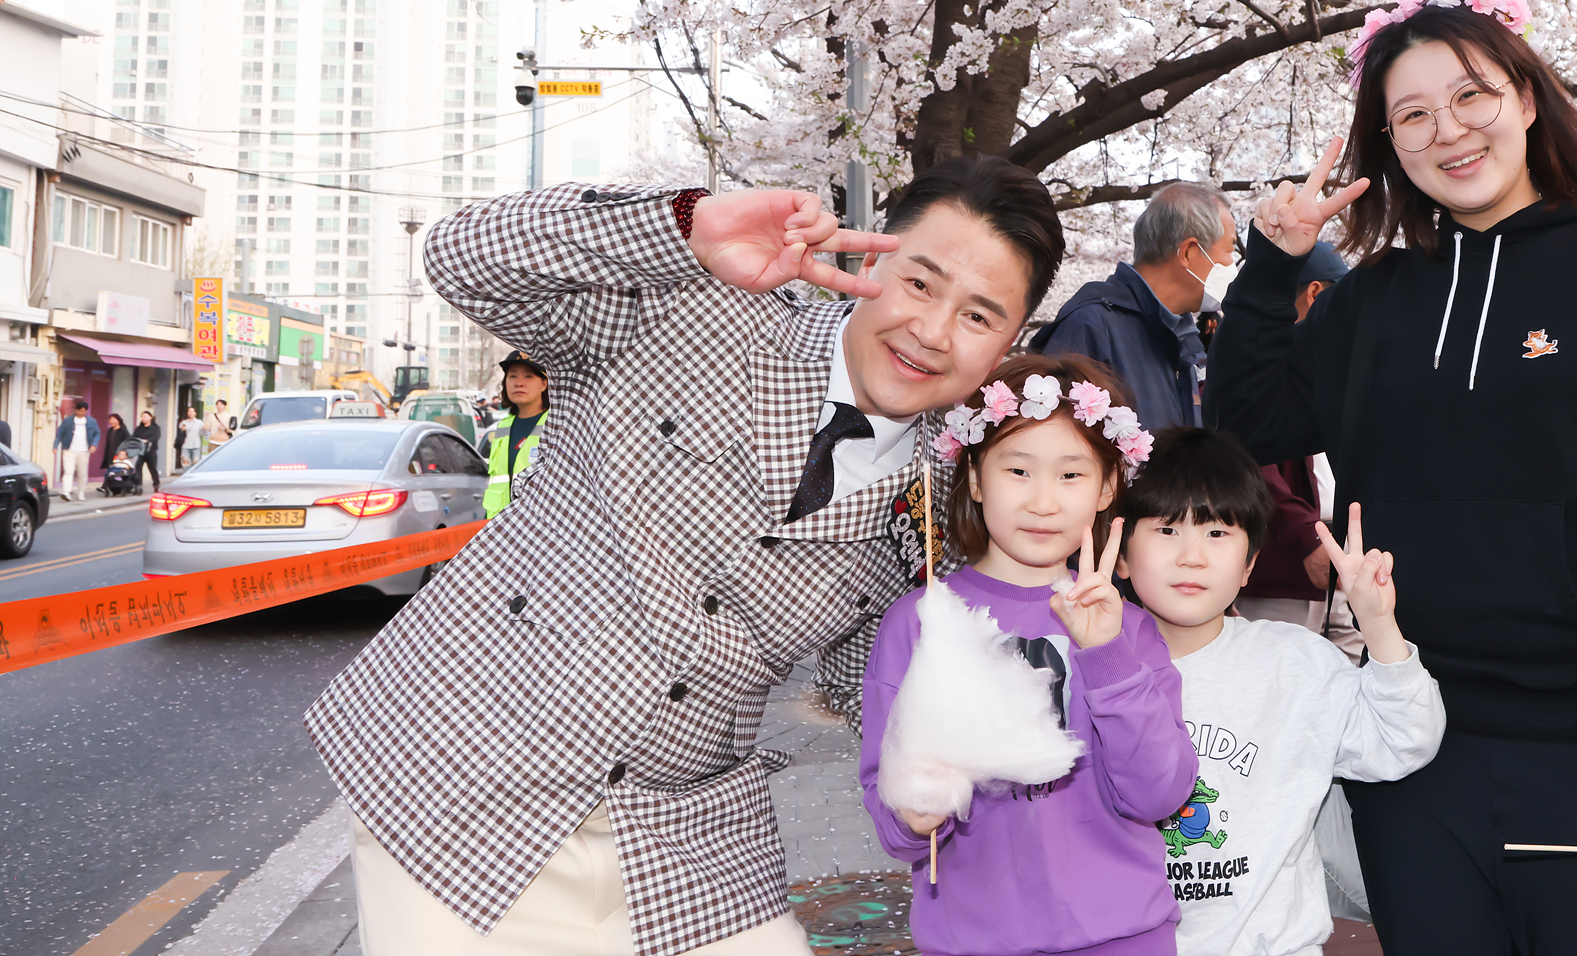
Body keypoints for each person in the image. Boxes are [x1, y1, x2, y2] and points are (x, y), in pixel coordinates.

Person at [306, 158, 1068, 956]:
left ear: (1010, 344)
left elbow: (876, 679)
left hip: (688, 827)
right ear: (868, 259)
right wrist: (681, 226)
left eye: (980, 317)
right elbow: (460, 258)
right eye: (920, 283)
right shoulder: (708, 307)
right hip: (469, 761)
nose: (934, 332)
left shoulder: (950, 499)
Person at [1208, 0, 1577, 955]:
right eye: (1409, 114)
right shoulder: (1372, 297)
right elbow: (1246, 421)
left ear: (1527, 97)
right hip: (1412, 743)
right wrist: (1269, 265)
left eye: (1469, 97)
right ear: (1387, 141)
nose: (1445, 131)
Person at [859, 354, 1196, 956]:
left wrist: (1107, 655)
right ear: (977, 479)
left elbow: (1159, 794)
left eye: (1070, 475)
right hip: (970, 939)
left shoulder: (1131, 629)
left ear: (1107, 488)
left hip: (1122, 936)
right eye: (1018, 470)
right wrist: (912, 815)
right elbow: (894, 820)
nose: (1043, 501)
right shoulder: (919, 624)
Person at [1114, 426, 1444, 956]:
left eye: (1218, 533)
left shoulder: (1292, 663)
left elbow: (1404, 743)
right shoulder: (1092, 666)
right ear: (1122, 552)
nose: (1193, 556)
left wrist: (1380, 626)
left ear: (1249, 564)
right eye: (1168, 530)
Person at [1030, 182, 1234, 431]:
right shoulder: (1092, 326)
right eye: (1228, 250)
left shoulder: (1181, 337)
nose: (1231, 264)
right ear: (1189, 253)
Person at [1234, 243, 1352, 642]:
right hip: (1283, 559)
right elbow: (1250, 457)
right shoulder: (1261, 361)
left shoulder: (1327, 359)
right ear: (1316, 293)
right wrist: (1305, 536)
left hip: (1330, 545)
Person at [481, 349, 549, 518]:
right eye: (512, 376)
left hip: (541, 530)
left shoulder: (556, 425)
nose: (519, 383)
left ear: (544, 384)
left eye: (528, 376)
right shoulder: (501, 428)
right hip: (500, 529)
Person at [54, 400, 99, 501]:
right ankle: (66, 492)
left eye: (83, 411)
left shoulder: (92, 421)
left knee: (82, 474)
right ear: (76, 410)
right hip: (69, 449)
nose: (81, 413)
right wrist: (55, 446)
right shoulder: (68, 421)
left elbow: (97, 433)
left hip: (84, 451)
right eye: (79, 411)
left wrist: (94, 445)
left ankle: (81, 493)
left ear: (86, 411)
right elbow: (59, 433)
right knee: (68, 471)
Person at [131, 411, 163, 491]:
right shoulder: (139, 429)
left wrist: (147, 440)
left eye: (145, 416)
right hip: (140, 452)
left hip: (151, 451)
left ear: (150, 417)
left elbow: (156, 437)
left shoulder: (155, 428)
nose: (143, 418)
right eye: (142, 417)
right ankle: (138, 487)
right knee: (138, 468)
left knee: (152, 469)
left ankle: (156, 484)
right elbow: (134, 437)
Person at [97, 413, 129, 490]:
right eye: (110, 420)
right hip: (110, 453)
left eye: (113, 419)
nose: (111, 421)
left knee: (115, 471)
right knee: (109, 470)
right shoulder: (110, 431)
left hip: (119, 455)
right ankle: (106, 486)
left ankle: (106, 486)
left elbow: (127, 441)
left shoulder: (123, 430)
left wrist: (123, 453)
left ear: (118, 420)